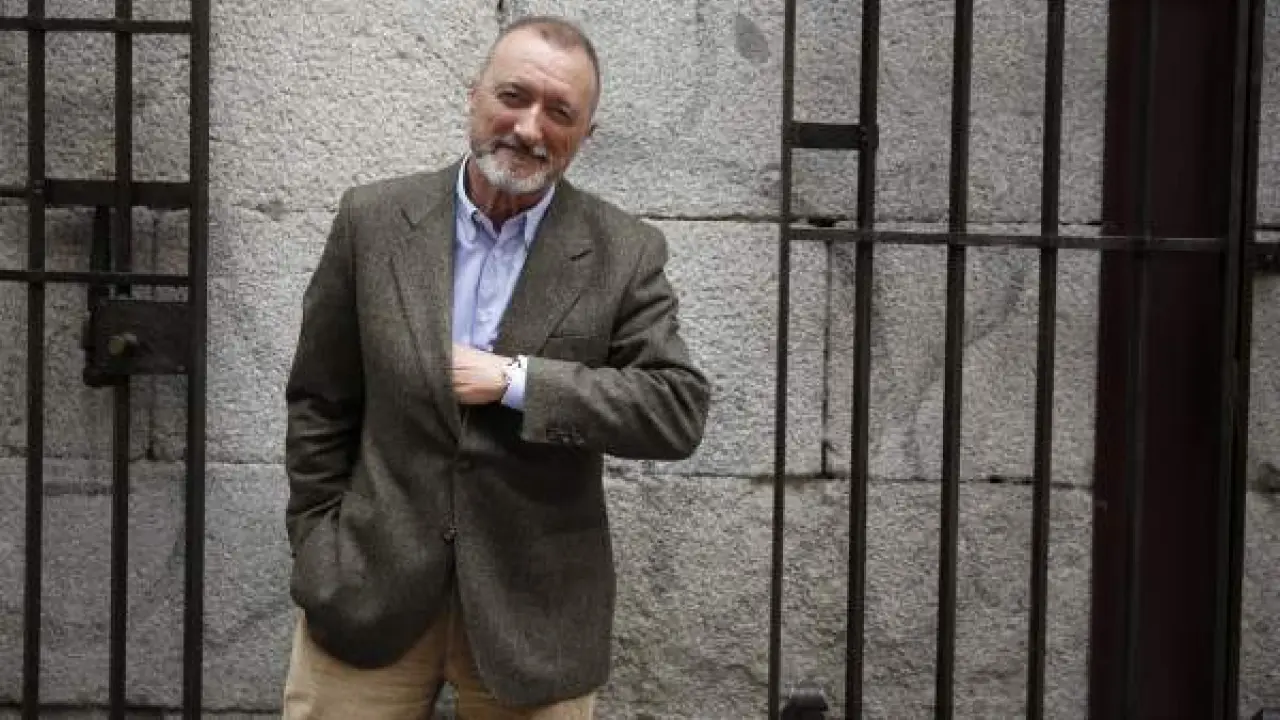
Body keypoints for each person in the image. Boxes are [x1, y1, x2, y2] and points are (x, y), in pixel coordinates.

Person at [280, 15, 711, 719]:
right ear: (474, 95)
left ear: (586, 133)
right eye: (513, 96)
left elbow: (675, 409)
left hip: (536, 618)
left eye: (560, 112)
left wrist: (517, 381)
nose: (529, 127)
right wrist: (318, 541)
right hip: (367, 593)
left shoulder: (623, 251)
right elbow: (320, 398)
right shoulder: (373, 220)